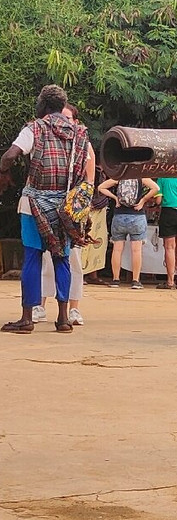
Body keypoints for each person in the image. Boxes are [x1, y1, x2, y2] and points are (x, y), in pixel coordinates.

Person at [1, 85, 94, 334]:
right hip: (65, 209)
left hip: (34, 205)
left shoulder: (34, 128)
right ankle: (63, 319)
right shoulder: (79, 133)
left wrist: (3, 168)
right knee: (61, 258)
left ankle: (26, 319)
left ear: (42, 106)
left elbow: (11, 155)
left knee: (32, 256)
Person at [98, 174, 159, 289]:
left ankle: (116, 279)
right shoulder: (141, 177)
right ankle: (135, 280)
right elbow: (156, 188)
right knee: (136, 251)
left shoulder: (120, 177)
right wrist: (142, 201)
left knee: (117, 249)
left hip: (119, 216)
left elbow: (101, 187)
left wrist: (115, 198)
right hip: (137, 217)